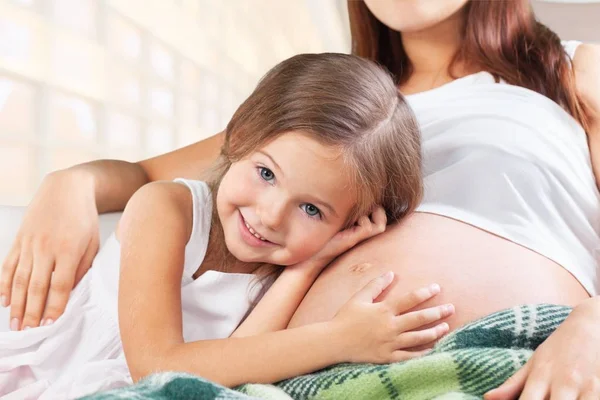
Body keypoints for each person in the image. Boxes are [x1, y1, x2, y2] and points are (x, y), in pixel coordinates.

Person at [1, 0, 599, 398]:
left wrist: (594, 328)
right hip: (291, 377)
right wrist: (69, 183)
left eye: (313, 208)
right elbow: (137, 176)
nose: (275, 208)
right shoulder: (331, 109)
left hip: (528, 356)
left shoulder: (570, 69)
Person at [0, 53, 455, 399]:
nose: (271, 216)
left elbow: (242, 360)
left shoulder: (279, 267)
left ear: (349, 223)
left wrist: (308, 265)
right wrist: (340, 339)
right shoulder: (166, 209)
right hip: (36, 376)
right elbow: (157, 369)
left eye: (312, 210)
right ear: (239, 138)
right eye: (266, 173)